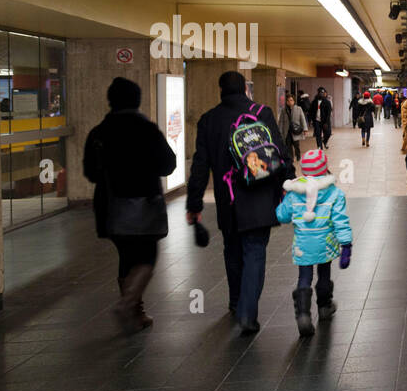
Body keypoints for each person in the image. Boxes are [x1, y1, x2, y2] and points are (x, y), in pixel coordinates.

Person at [186, 70, 293, 334]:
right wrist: (289, 185)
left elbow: (200, 165)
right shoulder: (262, 112)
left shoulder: (209, 120)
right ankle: (247, 311)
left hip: (228, 199)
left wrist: (194, 203)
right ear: (245, 89)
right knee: (255, 251)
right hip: (259, 197)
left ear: (220, 90)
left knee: (232, 250)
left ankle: (236, 302)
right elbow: (280, 153)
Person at [83, 77, 176, 333]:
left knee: (126, 256)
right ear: (137, 99)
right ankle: (128, 303)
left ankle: (136, 311)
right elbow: (168, 164)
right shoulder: (146, 129)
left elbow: (90, 171)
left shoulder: (99, 132)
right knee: (147, 256)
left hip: (111, 206)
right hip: (144, 203)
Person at [276, 147, 352, 337]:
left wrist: (284, 201)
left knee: (304, 278)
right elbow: (340, 221)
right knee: (324, 274)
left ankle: (303, 315)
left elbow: (282, 216)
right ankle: (325, 308)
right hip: (325, 243)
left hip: (303, 244)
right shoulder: (335, 193)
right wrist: (346, 245)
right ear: (325, 168)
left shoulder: (294, 192)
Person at [280, 92, 306, 161]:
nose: (289, 102)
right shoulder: (284, 110)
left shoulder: (298, 109)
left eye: (291, 100)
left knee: (296, 145)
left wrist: (305, 129)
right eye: (288, 101)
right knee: (288, 145)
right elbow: (281, 121)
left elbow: (302, 118)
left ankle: (298, 155)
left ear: (294, 101)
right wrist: (280, 130)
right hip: (287, 131)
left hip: (295, 130)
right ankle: (291, 157)